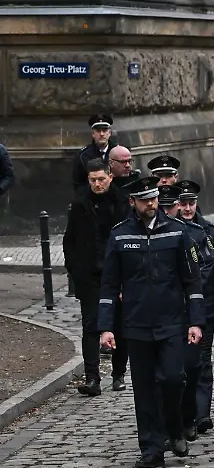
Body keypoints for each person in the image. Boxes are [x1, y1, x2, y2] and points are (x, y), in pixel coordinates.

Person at [98, 176, 205, 468]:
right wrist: (106, 327)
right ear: (132, 202)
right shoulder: (120, 235)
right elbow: (109, 285)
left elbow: (191, 281)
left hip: (172, 322)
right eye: (144, 200)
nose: (151, 204)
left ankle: (174, 427)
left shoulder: (177, 231)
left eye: (154, 198)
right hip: (136, 324)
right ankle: (151, 449)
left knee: (172, 379)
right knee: (144, 388)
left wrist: (195, 322)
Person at [63, 157, 128, 396]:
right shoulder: (80, 203)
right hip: (89, 274)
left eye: (101, 179)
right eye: (93, 180)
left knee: (119, 325)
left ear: (110, 177)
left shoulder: (122, 201)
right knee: (90, 325)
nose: (98, 184)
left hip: (118, 274)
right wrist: (75, 269)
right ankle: (92, 377)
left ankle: (118, 373)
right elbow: (70, 239)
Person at [173, 180, 214, 435]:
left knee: (202, 361)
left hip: (204, 308)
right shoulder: (171, 231)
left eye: (190, 203)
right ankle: (185, 412)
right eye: (182, 203)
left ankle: (202, 414)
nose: (187, 208)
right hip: (175, 311)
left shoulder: (210, 231)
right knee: (182, 364)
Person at [72, 114, 117, 195]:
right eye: (98, 131)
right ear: (93, 133)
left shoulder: (118, 152)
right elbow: (78, 183)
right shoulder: (82, 156)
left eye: (104, 130)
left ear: (110, 133)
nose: (102, 134)